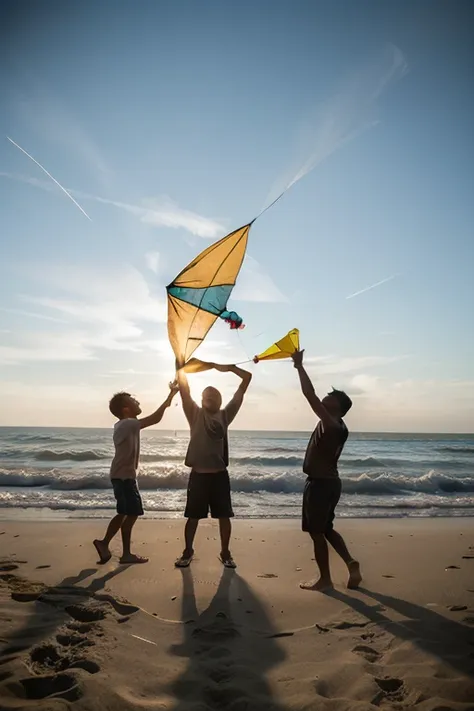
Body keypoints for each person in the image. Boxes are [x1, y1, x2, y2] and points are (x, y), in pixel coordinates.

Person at [291, 349, 362, 591]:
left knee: (316, 533)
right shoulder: (339, 425)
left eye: (331, 397)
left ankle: (325, 580)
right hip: (330, 483)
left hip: (320, 485)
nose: (325, 397)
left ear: (338, 408)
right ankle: (351, 563)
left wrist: (299, 366)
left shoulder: (331, 423)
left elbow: (308, 394)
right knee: (326, 528)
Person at [175, 363, 252, 569]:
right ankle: (188, 551)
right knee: (193, 516)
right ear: (202, 400)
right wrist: (181, 363)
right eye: (207, 397)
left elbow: (246, 379)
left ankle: (225, 553)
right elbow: (184, 388)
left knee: (224, 516)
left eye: (215, 397)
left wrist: (230, 368)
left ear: (220, 400)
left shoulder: (225, 415)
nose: (211, 399)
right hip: (199, 476)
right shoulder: (194, 413)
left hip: (219, 476)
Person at [93, 383, 178, 565]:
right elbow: (155, 418)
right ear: (126, 409)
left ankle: (117, 550)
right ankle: (110, 546)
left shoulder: (124, 425)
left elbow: (155, 418)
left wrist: (171, 395)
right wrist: (170, 395)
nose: (137, 401)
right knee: (127, 513)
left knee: (127, 513)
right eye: (133, 401)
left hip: (124, 476)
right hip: (123, 477)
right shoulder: (128, 423)